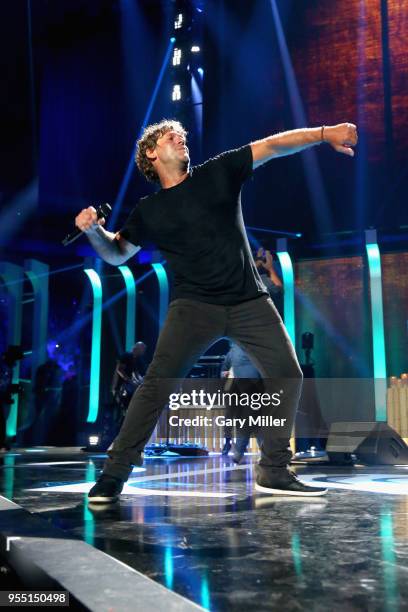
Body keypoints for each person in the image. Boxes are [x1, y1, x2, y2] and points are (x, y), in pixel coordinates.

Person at [75, 119, 357, 502]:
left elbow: (273, 145)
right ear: (151, 154)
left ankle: (273, 470)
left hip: (248, 301)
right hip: (194, 307)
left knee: (287, 373)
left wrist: (324, 133)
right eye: (166, 136)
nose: (179, 136)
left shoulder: (218, 171)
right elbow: (117, 252)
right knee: (157, 383)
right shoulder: (150, 209)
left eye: (181, 135)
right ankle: (114, 474)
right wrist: (94, 231)